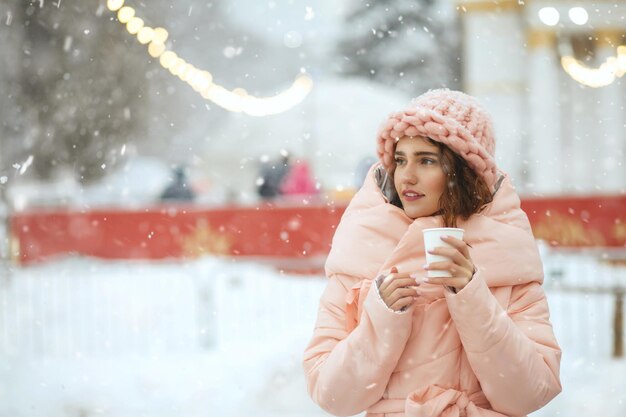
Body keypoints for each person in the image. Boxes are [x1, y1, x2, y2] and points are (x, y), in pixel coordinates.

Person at [302, 89, 562, 417]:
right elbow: (332, 396)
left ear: (464, 172)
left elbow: (530, 394)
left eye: (426, 160)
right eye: (400, 160)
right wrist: (381, 321)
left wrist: (472, 297)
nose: (406, 176)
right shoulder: (360, 251)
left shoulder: (509, 257)